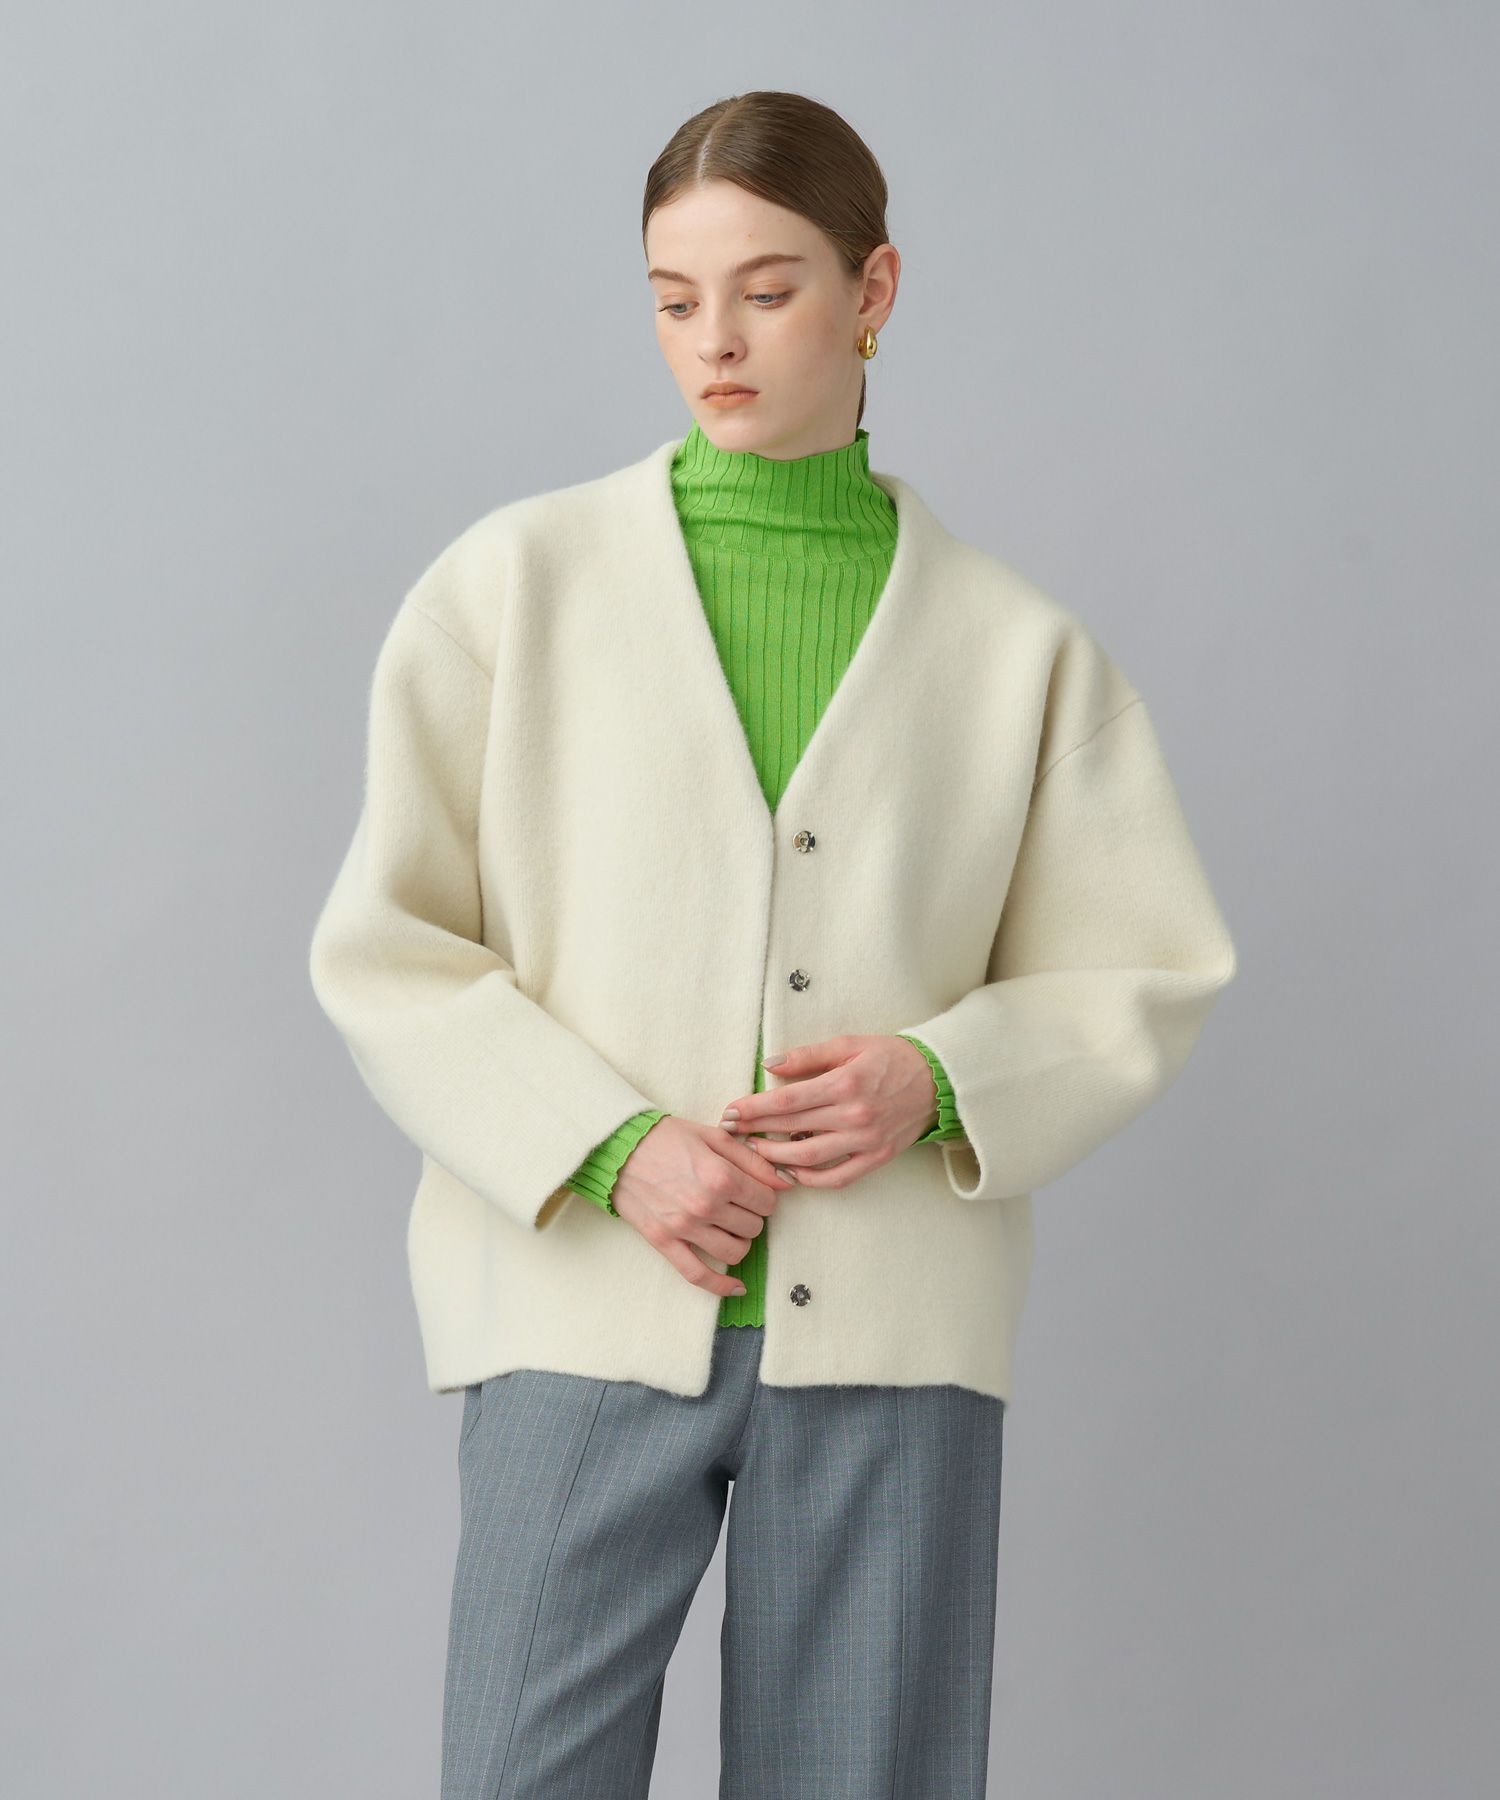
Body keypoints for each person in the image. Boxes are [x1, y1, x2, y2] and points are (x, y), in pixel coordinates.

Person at [308, 89, 1237, 1800]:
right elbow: (389, 950)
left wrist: (936, 1078)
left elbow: (1142, 968)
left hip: (890, 1334)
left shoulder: (1018, 647)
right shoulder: (512, 589)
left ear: (874, 291)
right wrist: (610, 1146)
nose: (715, 342)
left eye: (767, 289)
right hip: (581, 1311)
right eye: (675, 299)